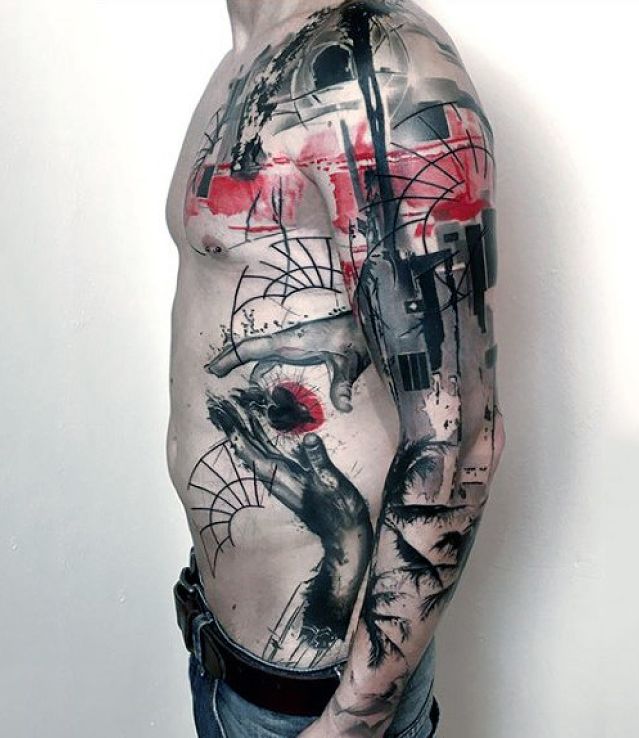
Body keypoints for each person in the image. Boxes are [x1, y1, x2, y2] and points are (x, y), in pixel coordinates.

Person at [165, 1, 506, 735]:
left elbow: (460, 438)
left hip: (320, 704)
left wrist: (352, 721)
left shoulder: (373, 65)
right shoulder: (249, 52)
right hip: (228, 659)